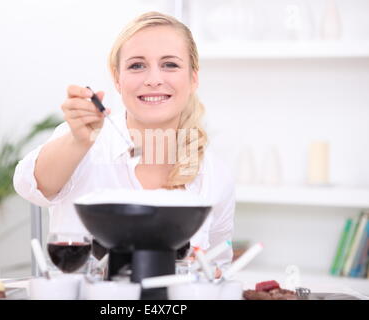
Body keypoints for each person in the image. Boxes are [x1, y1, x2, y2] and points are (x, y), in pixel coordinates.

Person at [13, 12, 235, 276]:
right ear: (117, 78)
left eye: (170, 65)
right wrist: (78, 141)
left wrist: (213, 275)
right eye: (137, 66)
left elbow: (218, 264)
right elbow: (30, 185)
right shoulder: (85, 139)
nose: (153, 79)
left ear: (193, 79)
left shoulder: (214, 173)